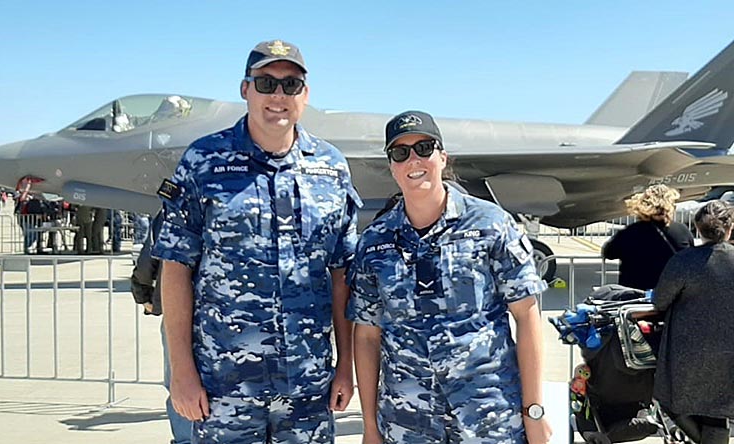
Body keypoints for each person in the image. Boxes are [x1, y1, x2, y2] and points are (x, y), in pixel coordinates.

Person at [151, 39, 361, 442]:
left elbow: (341, 276)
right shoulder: (204, 162)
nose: (278, 96)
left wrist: (344, 365)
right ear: (245, 89)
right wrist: (181, 372)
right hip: (223, 384)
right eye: (266, 83)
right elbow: (176, 269)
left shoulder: (331, 167)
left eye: (290, 85)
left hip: (306, 386)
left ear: (305, 94)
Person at [348, 111, 552, 444]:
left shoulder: (491, 224)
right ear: (392, 166)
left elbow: (527, 317)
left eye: (424, 148)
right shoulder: (375, 243)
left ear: (442, 157)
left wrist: (534, 411)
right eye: (401, 153)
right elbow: (368, 337)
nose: (414, 159)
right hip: (407, 423)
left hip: (488, 418)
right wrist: (370, 427)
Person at [652, 200, 734, 444]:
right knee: (718, 413)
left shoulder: (684, 261)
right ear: (730, 228)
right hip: (729, 354)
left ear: (698, 228)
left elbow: (660, 301)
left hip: (687, 353)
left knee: (674, 403)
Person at [130, 210, 193, 444]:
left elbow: (149, 257)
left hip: (176, 310)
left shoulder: (174, 209)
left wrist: (143, 295)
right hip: (222, 317)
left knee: (179, 381)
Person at [602, 184, 694, 290]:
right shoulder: (682, 231)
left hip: (636, 296)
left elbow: (609, 253)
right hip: (672, 296)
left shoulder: (630, 233)